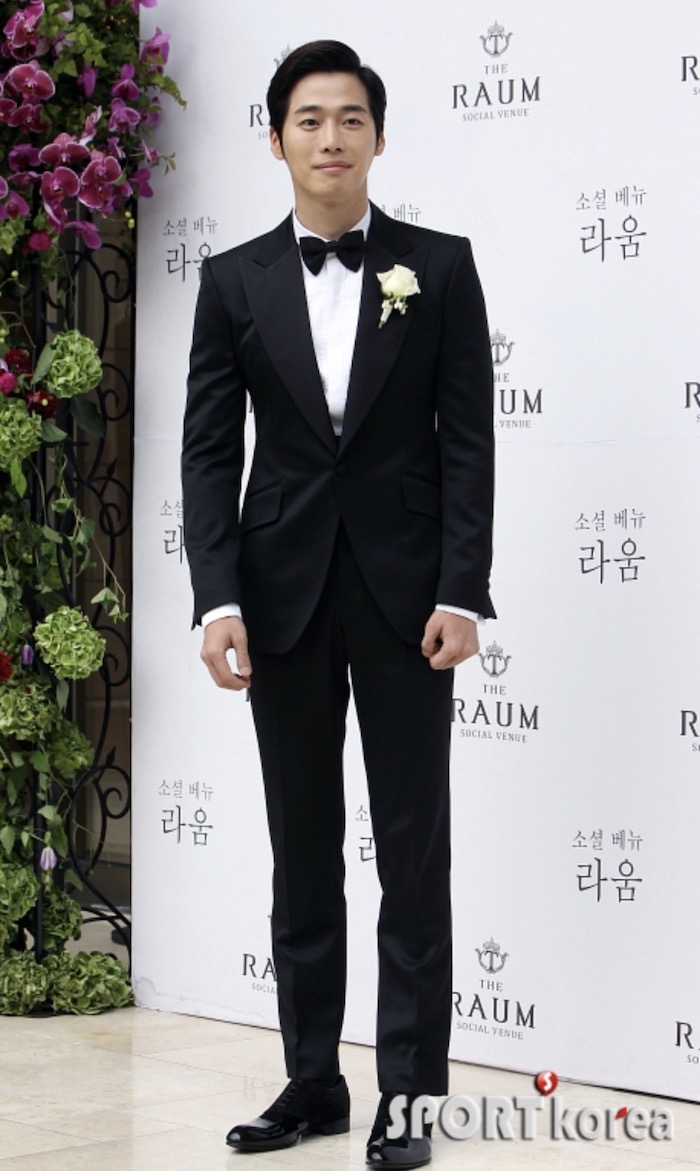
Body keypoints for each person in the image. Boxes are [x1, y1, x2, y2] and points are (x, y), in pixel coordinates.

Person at [182, 40, 495, 1169]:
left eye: (350, 117)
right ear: (276, 140)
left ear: (378, 136)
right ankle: (312, 1080)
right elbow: (208, 454)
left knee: (413, 851)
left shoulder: (439, 268)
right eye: (308, 119)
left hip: (411, 600)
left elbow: (469, 442)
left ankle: (407, 1097)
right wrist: (217, 598)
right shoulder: (233, 281)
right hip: (281, 597)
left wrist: (462, 589)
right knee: (302, 848)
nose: (330, 137)